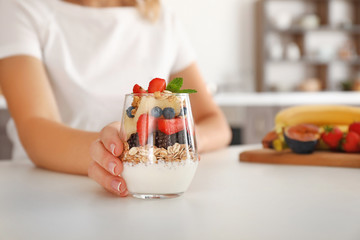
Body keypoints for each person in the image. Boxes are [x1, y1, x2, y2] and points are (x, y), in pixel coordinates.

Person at [0, 0, 232, 196]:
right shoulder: (21, 9)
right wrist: (120, 153)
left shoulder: (161, 18)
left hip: (155, 188)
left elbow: (215, 122)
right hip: (50, 194)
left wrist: (183, 141)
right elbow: (36, 130)